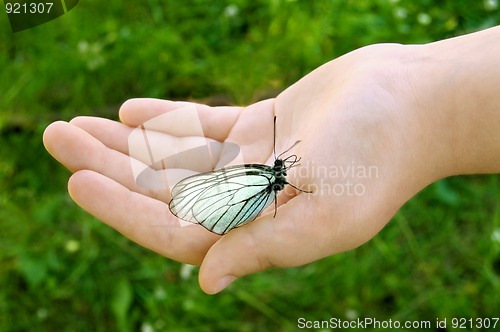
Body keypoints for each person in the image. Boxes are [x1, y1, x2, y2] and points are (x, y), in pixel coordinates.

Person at [43, 25, 500, 294]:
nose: (284, 170)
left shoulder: (277, 172)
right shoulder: (268, 175)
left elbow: (284, 175)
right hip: (236, 194)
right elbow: (274, 178)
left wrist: (410, 101)